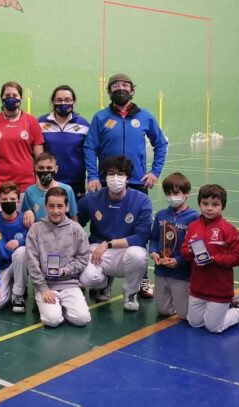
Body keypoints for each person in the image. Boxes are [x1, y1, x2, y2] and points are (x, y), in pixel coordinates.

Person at [84, 73, 169, 298]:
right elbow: (90, 147)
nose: (120, 88)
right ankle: (103, 276)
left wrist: (155, 171)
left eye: (125, 85)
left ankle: (141, 278)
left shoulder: (145, 117)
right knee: (104, 227)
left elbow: (160, 144)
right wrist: (93, 175)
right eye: (115, 85)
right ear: (109, 91)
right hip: (107, 180)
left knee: (138, 231)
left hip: (136, 182)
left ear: (132, 91)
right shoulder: (101, 117)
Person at [180, 184, 239, 333]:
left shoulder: (229, 230)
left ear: (222, 206)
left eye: (215, 204)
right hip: (198, 287)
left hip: (219, 289)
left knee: (214, 327)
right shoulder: (193, 227)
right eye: (205, 204)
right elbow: (184, 250)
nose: (209, 208)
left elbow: (238, 258)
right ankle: (222, 310)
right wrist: (189, 251)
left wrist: (214, 259)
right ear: (199, 204)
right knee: (194, 322)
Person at [78, 156, 150, 311]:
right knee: (86, 277)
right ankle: (103, 284)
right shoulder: (92, 199)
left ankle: (131, 292)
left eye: (121, 174)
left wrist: (109, 244)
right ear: (104, 177)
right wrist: (85, 246)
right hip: (99, 251)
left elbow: (142, 236)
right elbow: (75, 225)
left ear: (128, 178)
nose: (115, 178)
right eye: (111, 173)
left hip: (126, 251)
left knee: (138, 255)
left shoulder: (142, 200)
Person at [26, 187, 91, 328]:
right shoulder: (36, 229)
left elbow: (83, 257)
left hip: (69, 283)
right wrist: (43, 288)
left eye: (60, 206)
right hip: (46, 285)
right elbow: (32, 262)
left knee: (82, 319)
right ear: (45, 207)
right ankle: (50, 307)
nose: (56, 211)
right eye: (51, 206)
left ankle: (62, 307)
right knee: (52, 321)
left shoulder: (76, 229)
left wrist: (66, 270)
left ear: (67, 207)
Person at [0, 81, 44, 213]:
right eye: (7, 95)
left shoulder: (31, 122)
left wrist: (39, 186)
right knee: (0, 228)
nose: (11, 98)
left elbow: (40, 158)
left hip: (27, 186)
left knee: (27, 227)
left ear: (20, 98)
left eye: (14, 95)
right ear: (1, 98)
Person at [149, 172, 199, 319]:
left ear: (187, 193)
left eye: (176, 193)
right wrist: (153, 253)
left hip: (181, 273)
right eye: (168, 193)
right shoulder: (161, 215)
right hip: (161, 270)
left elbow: (194, 248)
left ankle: (229, 305)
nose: (172, 196)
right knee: (163, 311)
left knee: (184, 315)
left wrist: (179, 261)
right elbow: (153, 239)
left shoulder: (194, 217)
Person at [38, 85, 90, 199]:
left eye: (67, 100)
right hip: (47, 181)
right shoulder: (40, 123)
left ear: (73, 102)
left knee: (74, 216)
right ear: (53, 102)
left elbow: (89, 153)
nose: (63, 103)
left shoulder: (83, 125)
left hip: (76, 183)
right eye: (59, 100)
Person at [0, 182, 29, 313]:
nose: (8, 202)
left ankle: (18, 294)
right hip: (1, 266)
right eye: (4, 200)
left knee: (22, 251)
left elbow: (33, 242)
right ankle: (8, 285)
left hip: (19, 264)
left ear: (18, 202)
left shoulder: (25, 220)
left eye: (12, 199)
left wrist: (20, 243)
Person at [20, 152, 78, 228]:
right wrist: (26, 212)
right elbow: (24, 215)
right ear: (35, 168)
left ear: (56, 169)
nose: (45, 171)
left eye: (49, 168)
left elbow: (74, 217)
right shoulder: (29, 191)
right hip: (38, 236)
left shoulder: (67, 189)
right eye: (41, 168)